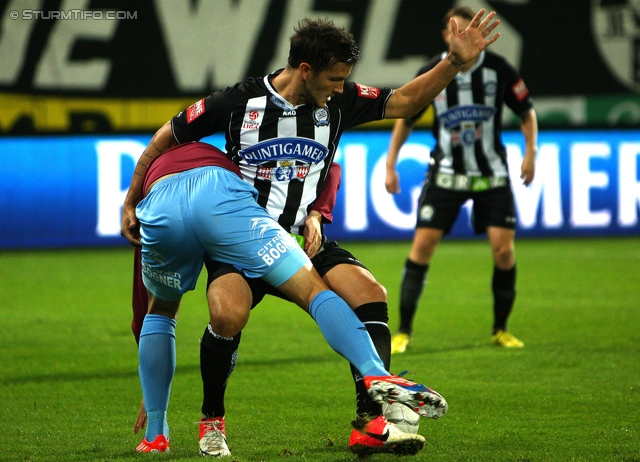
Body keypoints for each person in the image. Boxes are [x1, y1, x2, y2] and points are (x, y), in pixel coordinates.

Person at [121, 9, 500, 456]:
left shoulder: (339, 100)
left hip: (303, 238)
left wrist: (453, 63)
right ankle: (212, 420)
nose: (341, 89)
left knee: (368, 293)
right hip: (240, 240)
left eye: (345, 80)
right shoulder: (239, 102)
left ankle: (371, 421)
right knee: (226, 316)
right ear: (305, 70)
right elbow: (170, 134)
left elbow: (404, 102)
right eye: (334, 79)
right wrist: (132, 195)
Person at [130, 141, 447, 454]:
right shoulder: (235, 130)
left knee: (370, 293)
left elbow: (330, 169)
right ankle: (374, 374)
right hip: (230, 219)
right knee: (267, 302)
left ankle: (370, 421)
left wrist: (317, 214)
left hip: (267, 231)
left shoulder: (308, 123)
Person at [384, 6, 537, 355]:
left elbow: (526, 110)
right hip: (447, 174)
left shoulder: (499, 70)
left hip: (491, 175)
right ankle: (404, 332)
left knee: (503, 251)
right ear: (446, 36)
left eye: (472, 31)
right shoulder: (432, 72)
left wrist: (531, 152)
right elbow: (405, 117)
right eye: (459, 31)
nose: (466, 37)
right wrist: (391, 162)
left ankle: (501, 329)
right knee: (421, 249)